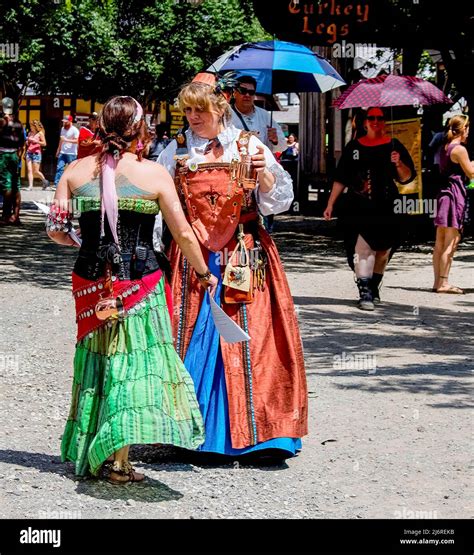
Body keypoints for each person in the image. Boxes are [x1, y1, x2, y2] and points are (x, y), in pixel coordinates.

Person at [47, 95, 217, 484]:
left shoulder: (73, 172)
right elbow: (184, 234)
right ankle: (120, 460)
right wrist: (204, 274)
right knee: (135, 364)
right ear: (140, 129)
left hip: (91, 283)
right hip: (141, 281)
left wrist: (80, 241)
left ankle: (92, 450)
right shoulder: (155, 174)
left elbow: (55, 230)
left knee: (98, 363)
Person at [157, 73, 308, 462]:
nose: (192, 117)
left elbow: (277, 202)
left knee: (253, 337)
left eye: (199, 109)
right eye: (187, 110)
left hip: (245, 251)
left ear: (219, 107)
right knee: (192, 333)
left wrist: (265, 173)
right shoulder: (175, 150)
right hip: (192, 257)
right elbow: (163, 204)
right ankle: (194, 434)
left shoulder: (247, 146)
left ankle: (262, 437)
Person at [324, 107, 416, 311]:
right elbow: (341, 178)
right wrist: (330, 204)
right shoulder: (353, 147)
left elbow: (407, 177)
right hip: (358, 205)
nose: (376, 121)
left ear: (385, 121)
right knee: (363, 249)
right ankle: (364, 290)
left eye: (380, 118)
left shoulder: (394, 145)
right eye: (371, 117)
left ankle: (373, 285)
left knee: (383, 251)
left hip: (387, 204)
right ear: (365, 122)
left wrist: (398, 162)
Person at [432, 114, 473, 294]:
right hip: (455, 195)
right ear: (463, 129)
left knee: (440, 241)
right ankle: (444, 283)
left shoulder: (444, 147)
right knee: (452, 240)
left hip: (443, 195)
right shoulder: (459, 149)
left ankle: (437, 282)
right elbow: (471, 173)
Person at [0, 97, 25, 225]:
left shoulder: (2, 122)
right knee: (16, 185)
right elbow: (22, 143)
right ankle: (16, 216)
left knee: (5, 185)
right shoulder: (19, 123)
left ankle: (5, 216)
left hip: (3, 155)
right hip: (15, 155)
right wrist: (18, 156)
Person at [53, 115, 79, 189]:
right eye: (63, 122)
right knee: (59, 168)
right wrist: (58, 150)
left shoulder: (75, 130)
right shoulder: (62, 129)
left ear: (70, 121)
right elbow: (61, 140)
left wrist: (66, 140)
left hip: (72, 154)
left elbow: (77, 141)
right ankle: (56, 185)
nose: (64, 123)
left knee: (72, 170)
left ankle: (73, 185)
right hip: (63, 152)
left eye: (66, 122)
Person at [25, 120, 49, 190]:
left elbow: (44, 143)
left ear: (35, 126)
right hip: (29, 152)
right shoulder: (30, 133)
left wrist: (36, 141)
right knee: (29, 170)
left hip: (36, 153)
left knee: (36, 171)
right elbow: (29, 143)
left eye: (31, 126)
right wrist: (27, 142)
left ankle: (45, 181)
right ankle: (30, 186)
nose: (30, 127)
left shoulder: (40, 133)